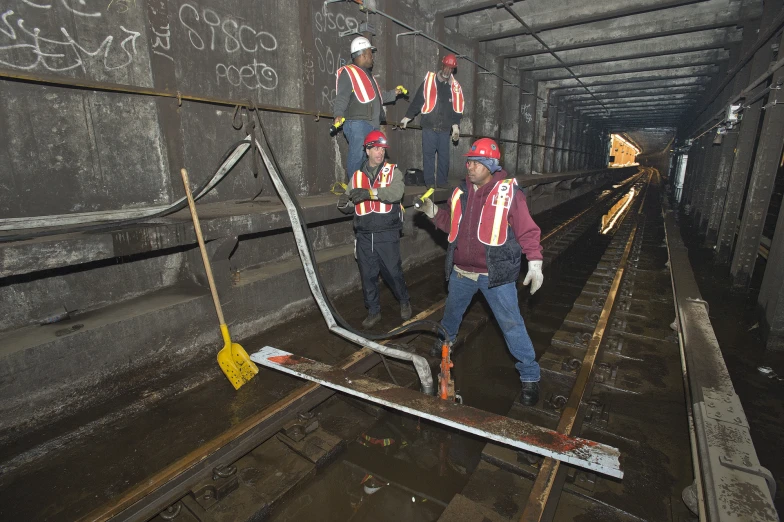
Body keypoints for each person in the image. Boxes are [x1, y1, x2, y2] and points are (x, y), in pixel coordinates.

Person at [416, 138, 544, 406]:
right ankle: (444, 348)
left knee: (512, 326)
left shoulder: (509, 193)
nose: (469, 166)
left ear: (490, 165)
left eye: (475, 162)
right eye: (469, 161)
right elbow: (451, 224)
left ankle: (530, 376)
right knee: (450, 319)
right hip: (462, 273)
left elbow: (527, 230)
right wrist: (431, 212)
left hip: (494, 277)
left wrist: (534, 261)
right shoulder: (460, 192)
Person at [337, 130, 412, 329]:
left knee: (393, 273)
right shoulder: (356, 177)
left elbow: (396, 193)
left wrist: (370, 193)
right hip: (363, 234)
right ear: (367, 150)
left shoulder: (393, 171)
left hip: (386, 233)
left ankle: (404, 300)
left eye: (382, 149)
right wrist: (344, 203)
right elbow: (350, 204)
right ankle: (373, 311)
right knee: (367, 276)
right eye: (375, 148)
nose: (380, 152)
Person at [334, 36, 405, 181]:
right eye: (370, 54)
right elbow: (342, 96)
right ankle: (354, 189)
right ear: (363, 54)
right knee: (358, 155)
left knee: (371, 159)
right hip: (358, 123)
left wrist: (394, 93)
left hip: (371, 125)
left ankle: (366, 187)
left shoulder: (368, 76)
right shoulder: (350, 72)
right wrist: (338, 114)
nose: (373, 58)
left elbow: (378, 97)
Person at [400, 54, 464, 188]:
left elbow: (456, 108)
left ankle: (442, 182)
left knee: (444, 157)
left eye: (451, 69)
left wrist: (456, 127)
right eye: (446, 67)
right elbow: (418, 100)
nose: (448, 71)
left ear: (453, 70)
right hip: (429, 126)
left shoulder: (455, 87)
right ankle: (429, 182)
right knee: (428, 156)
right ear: (442, 66)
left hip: (445, 129)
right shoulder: (429, 81)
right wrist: (408, 117)